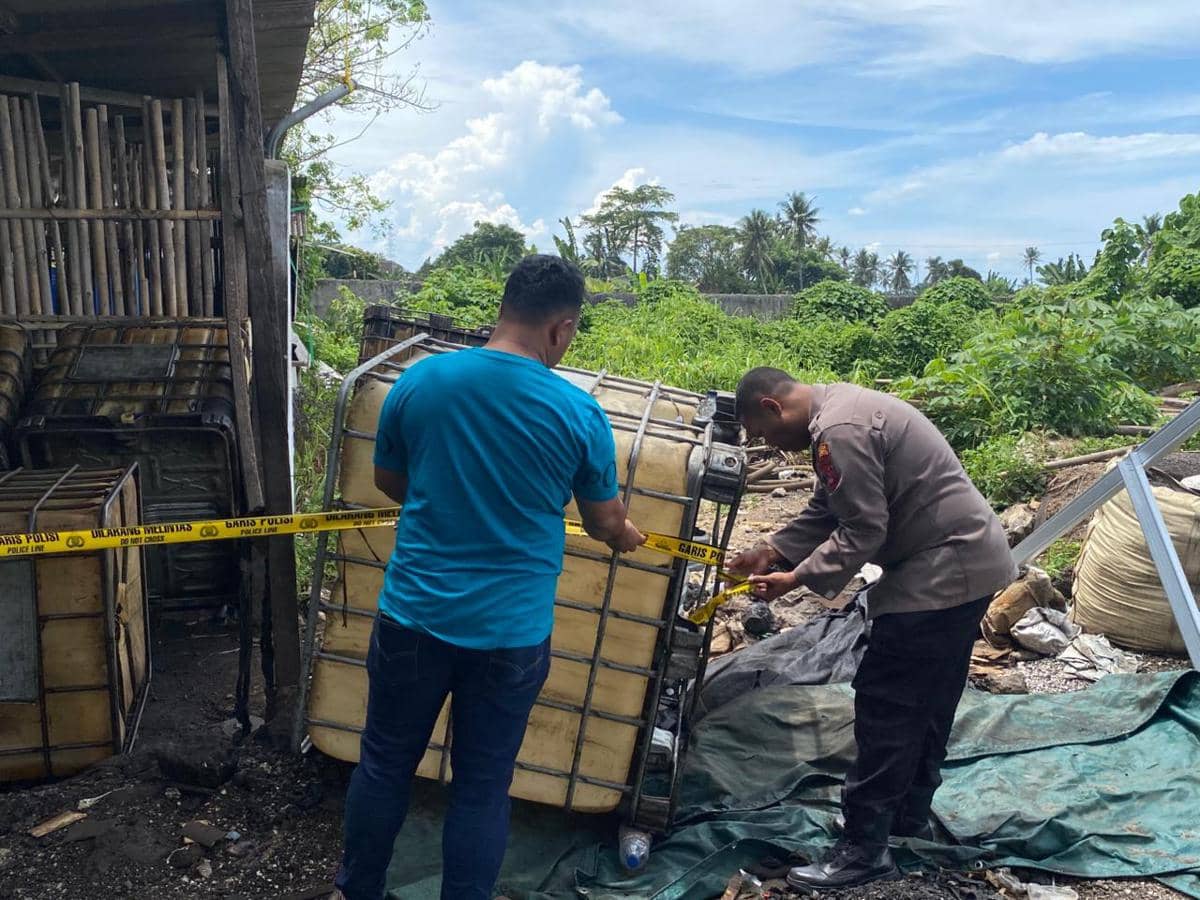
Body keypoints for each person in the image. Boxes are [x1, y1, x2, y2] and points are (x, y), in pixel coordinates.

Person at [333, 255, 645, 900]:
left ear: (502, 310)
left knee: (386, 763)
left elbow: (391, 481)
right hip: (510, 634)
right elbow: (605, 520)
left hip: (413, 618)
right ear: (561, 329)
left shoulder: (421, 383)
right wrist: (627, 537)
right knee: (481, 785)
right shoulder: (579, 413)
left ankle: (358, 890)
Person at [726, 368, 1017, 891]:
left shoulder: (839, 430)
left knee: (888, 703)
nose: (773, 445)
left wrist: (795, 578)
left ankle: (862, 850)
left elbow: (864, 526)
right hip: (966, 560)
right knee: (929, 697)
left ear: (773, 407)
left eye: (766, 434)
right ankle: (905, 816)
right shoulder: (839, 411)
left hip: (942, 570)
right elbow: (830, 505)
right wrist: (772, 549)